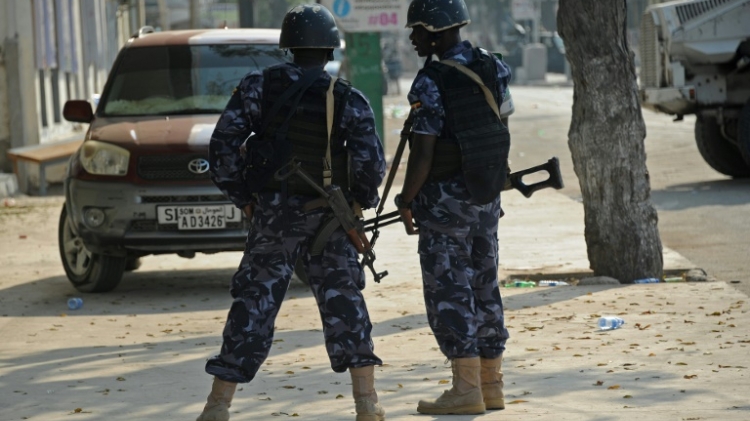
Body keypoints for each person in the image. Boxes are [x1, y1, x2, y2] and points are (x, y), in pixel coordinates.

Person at [198, 5, 387, 421]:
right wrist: (358, 203)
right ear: (328, 48)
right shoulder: (347, 97)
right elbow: (371, 164)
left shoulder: (256, 89)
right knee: (345, 306)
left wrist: (245, 197)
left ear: (288, 47)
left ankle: (217, 407)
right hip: (330, 220)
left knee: (253, 305)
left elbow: (221, 147)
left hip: (273, 216)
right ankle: (368, 404)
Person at [395, 0, 511, 415]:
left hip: (445, 207)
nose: (412, 38)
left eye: (417, 31)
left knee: (450, 292)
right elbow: (502, 126)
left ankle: (466, 392)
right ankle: (491, 385)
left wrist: (405, 200)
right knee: (485, 285)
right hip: (485, 197)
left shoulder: (430, 81)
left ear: (436, 30)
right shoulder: (494, 67)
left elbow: (422, 155)